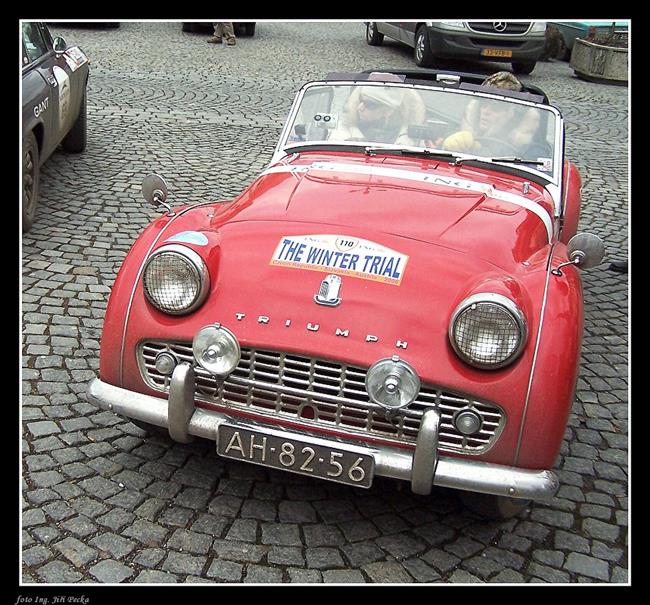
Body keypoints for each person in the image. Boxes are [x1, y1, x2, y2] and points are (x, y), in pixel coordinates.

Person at [441, 71, 540, 156]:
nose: (486, 112)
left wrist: (478, 148)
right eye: (483, 104)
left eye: (495, 108)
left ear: (511, 114)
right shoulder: (458, 134)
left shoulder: (531, 151)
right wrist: (446, 146)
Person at [330, 84, 426, 146]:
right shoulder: (342, 132)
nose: (360, 107)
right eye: (360, 100)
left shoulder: (413, 136)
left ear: (390, 110)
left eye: (369, 104)